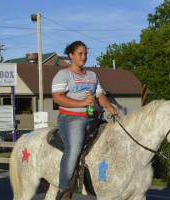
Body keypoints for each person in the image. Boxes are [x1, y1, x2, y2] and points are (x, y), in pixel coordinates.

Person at [52, 41, 119, 199]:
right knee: (74, 149)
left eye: (85, 54)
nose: (84, 57)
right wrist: (81, 103)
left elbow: (100, 96)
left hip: (93, 117)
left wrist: (110, 108)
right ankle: (64, 190)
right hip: (71, 118)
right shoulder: (63, 75)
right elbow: (57, 98)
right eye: (80, 54)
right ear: (71, 55)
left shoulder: (92, 75)